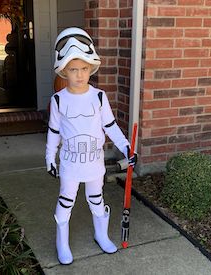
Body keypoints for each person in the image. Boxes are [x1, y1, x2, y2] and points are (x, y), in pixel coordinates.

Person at [45, 27, 137, 265]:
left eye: (84, 68)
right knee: (67, 200)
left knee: (96, 198)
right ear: (64, 70)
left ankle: (101, 234)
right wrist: (49, 157)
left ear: (91, 67)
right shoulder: (58, 100)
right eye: (73, 69)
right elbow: (54, 131)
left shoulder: (98, 96)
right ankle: (62, 243)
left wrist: (126, 147)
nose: (79, 74)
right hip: (70, 162)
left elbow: (110, 125)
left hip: (94, 161)